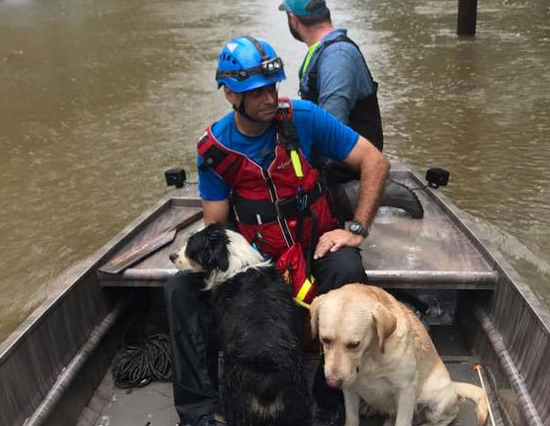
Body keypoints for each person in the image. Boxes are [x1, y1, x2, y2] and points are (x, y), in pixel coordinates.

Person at [163, 35, 390, 426]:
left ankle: (327, 402)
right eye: (256, 92)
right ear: (231, 95)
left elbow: (375, 161)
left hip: (313, 246)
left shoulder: (304, 117)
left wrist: (356, 228)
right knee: (179, 291)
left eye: (272, 87)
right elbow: (217, 227)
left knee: (347, 271)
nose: (269, 98)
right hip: (257, 264)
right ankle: (199, 411)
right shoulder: (215, 149)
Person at [279, 0, 384, 184]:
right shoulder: (324, 50)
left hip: (346, 175)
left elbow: (331, 128)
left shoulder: (337, 56)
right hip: (334, 167)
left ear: (293, 19)